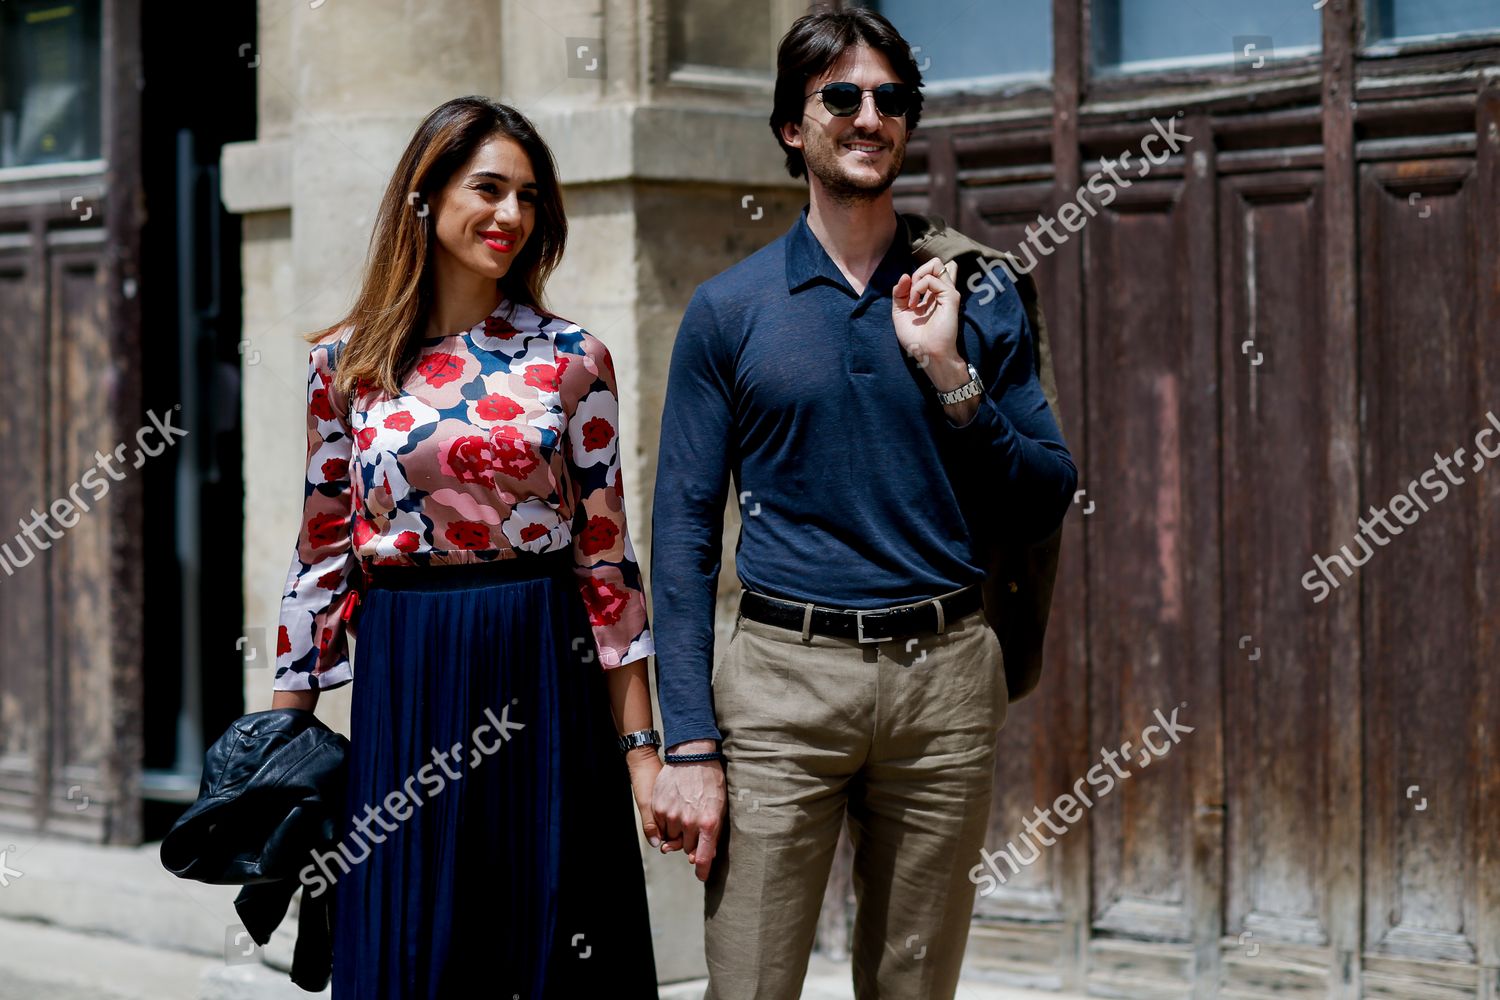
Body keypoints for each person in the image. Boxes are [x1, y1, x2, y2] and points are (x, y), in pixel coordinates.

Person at [649, 8, 1077, 999]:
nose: (868, 115)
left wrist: (950, 374)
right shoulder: (730, 311)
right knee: (750, 983)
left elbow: (1047, 492)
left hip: (943, 686)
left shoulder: (978, 287)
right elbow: (678, 532)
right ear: (794, 127)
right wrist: (690, 741)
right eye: (840, 96)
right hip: (779, 688)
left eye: (890, 98)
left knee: (914, 990)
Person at [268, 96, 662, 1000]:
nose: (511, 216)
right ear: (424, 194)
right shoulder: (345, 364)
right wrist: (280, 736)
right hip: (406, 677)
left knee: (546, 938)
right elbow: (324, 551)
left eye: (529, 197)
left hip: (542, 662)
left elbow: (606, 561)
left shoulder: (572, 358)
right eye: (488, 188)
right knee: (410, 949)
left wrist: (643, 749)